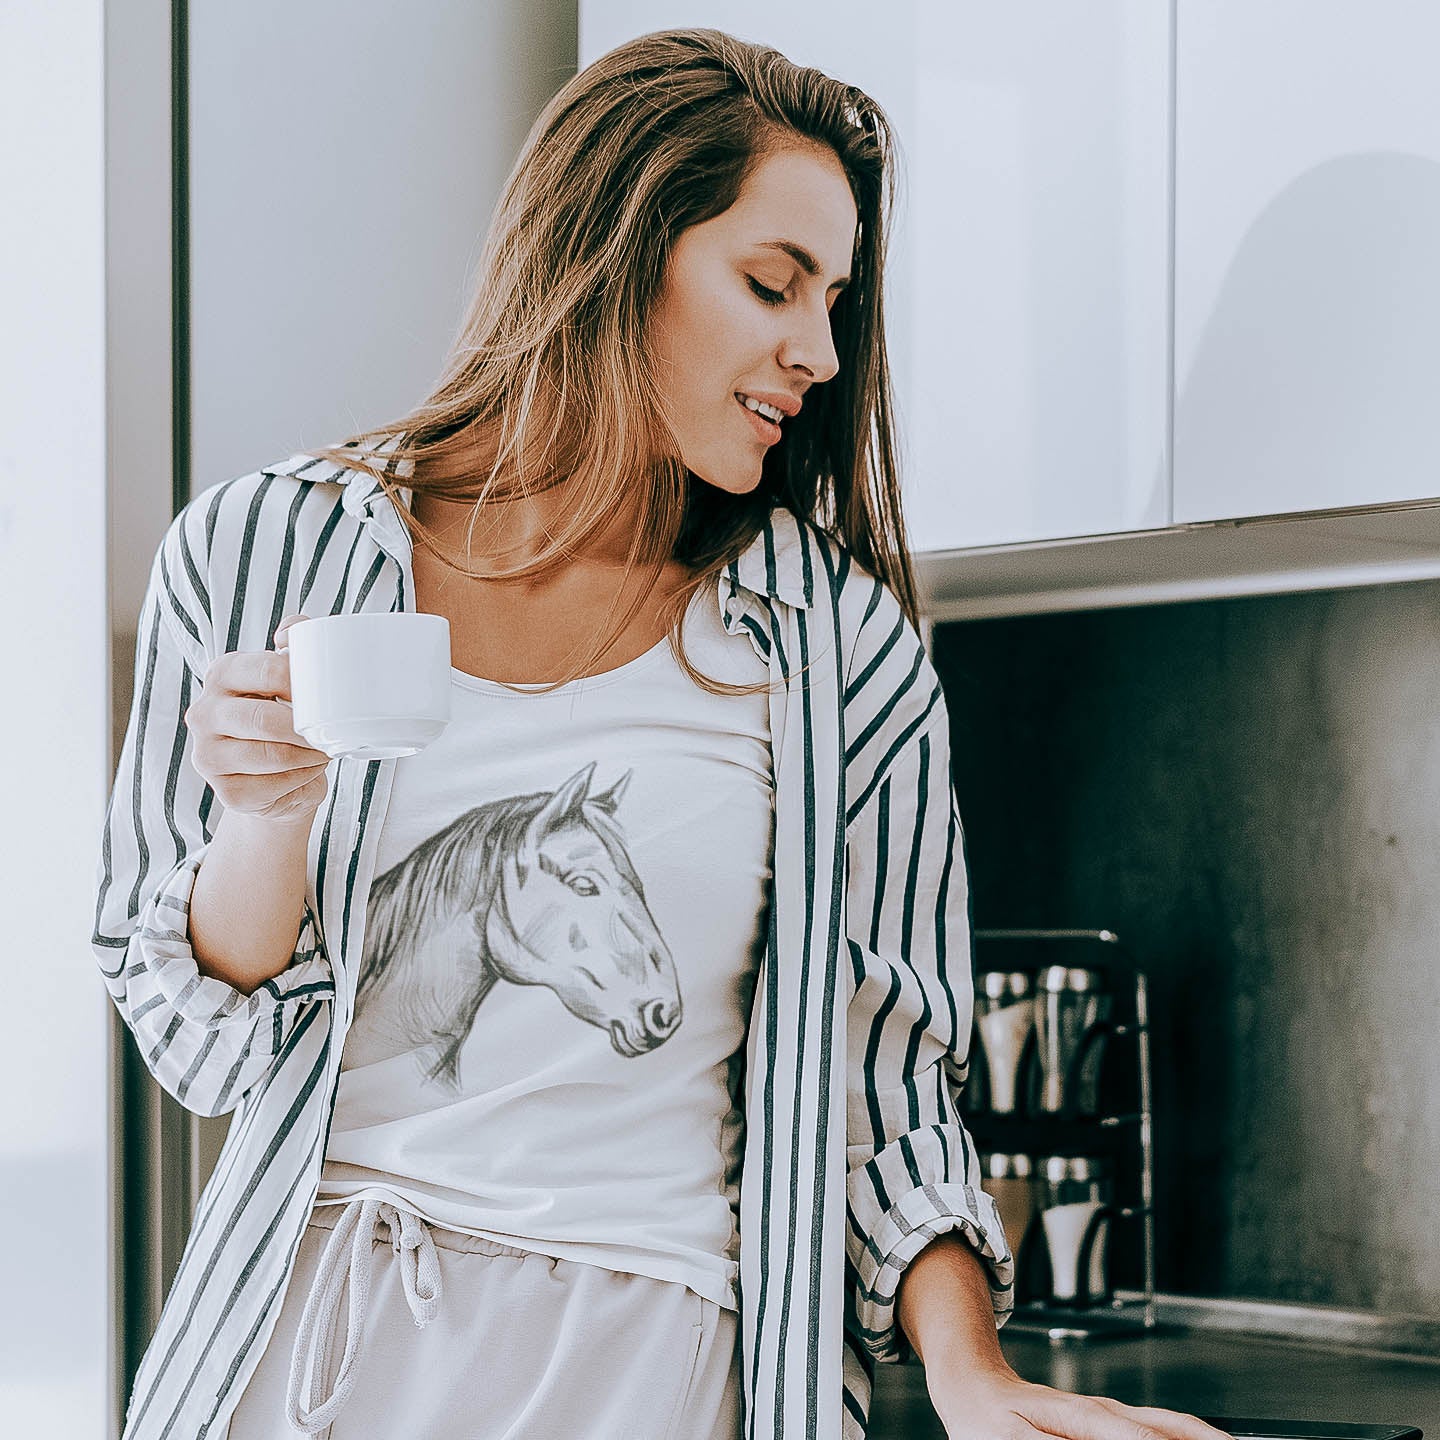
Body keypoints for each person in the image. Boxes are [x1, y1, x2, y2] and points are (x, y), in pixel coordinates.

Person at [92, 27, 1230, 1440]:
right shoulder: (262, 551)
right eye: (773, 283)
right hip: (305, 1351)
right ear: (618, 249)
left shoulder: (835, 645)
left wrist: (970, 1376)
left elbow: (889, 1081)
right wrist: (267, 818)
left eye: (835, 301)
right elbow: (197, 1033)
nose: (817, 351)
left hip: (658, 1365)